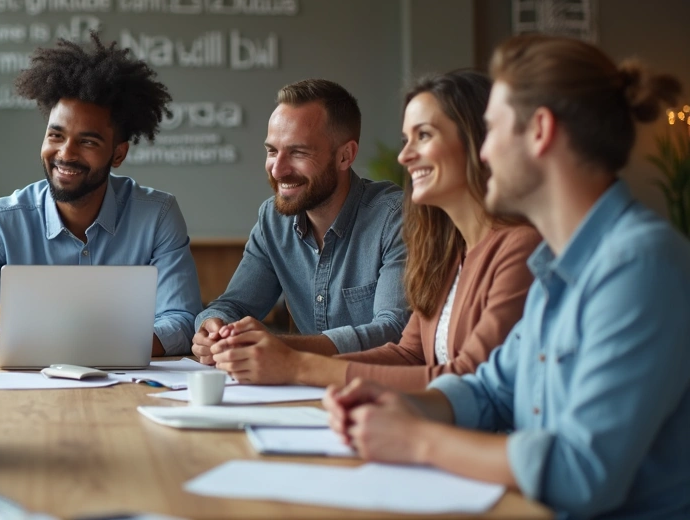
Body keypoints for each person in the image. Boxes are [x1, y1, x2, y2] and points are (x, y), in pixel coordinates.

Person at [325, 35, 690, 519]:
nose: (483, 151)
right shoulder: (559, 268)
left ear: (539, 132)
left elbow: (581, 474)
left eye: (492, 129)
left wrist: (418, 439)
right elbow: (490, 388)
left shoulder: (639, 266)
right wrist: (401, 404)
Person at [211, 71, 540, 388]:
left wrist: (295, 365)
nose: (405, 156)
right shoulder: (445, 247)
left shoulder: (519, 247)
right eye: (406, 139)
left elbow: (470, 380)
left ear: (479, 143)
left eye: (423, 136)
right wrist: (256, 349)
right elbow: (409, 353)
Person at [0, 33, 203, 357]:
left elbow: (182, 319)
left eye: (88, 142)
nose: (66, 153)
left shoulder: (157, 216)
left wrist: (91, 347)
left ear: (118, 154)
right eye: (56, 135)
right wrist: (26, 346)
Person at [192, 79, 408, 362]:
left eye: (297, 152)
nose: (278, 169)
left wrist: (279, 347)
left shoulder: (395, 217)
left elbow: (394, 331)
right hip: (303, 393)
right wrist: (213, 328)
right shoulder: (273, 220)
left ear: (346, 155)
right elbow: (234, 304)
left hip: (378, 394)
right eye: (272, 151)